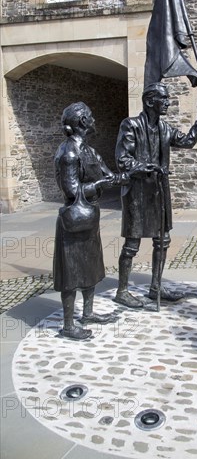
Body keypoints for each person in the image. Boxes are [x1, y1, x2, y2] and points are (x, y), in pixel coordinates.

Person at [114, 82, 197, 308]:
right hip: (137, 192)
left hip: (158, 192)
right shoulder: (131, 125)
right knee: (132, 244)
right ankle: (122, 291)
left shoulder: (165, 129)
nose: (168, 102)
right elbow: (122, 159)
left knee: (162, 240)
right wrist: (147, 167)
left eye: (167, 98)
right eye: (163, 99)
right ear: (149, 102)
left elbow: (186, 141)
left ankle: (156, 286)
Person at [53, 102, 129, 340]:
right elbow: (71, 190)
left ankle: (88, 313)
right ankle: (67, 326)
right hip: (74, 221)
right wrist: (98, 186)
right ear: (83, 122)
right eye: (92, 116)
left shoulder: (89, 150)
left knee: (91, 265)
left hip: (90, 218)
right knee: (71, 272)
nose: (95, 120)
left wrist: (136, 173)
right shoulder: (69, 152)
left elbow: (111, 176)